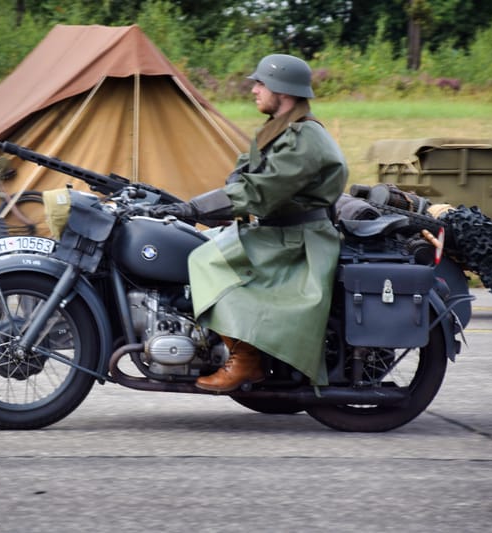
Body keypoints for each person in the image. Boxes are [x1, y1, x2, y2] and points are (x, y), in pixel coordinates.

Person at [149, 53, 348, 391]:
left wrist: (193, 208)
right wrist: (183, 205)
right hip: (278, 230)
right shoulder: (281, 131)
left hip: (297, 239)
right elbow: (241, 179)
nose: (254, 89)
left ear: (281, 90)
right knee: (199, 242)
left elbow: (259, 191)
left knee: (205, 260)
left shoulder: (304, 140)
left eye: (261, 83)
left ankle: (246, 359)